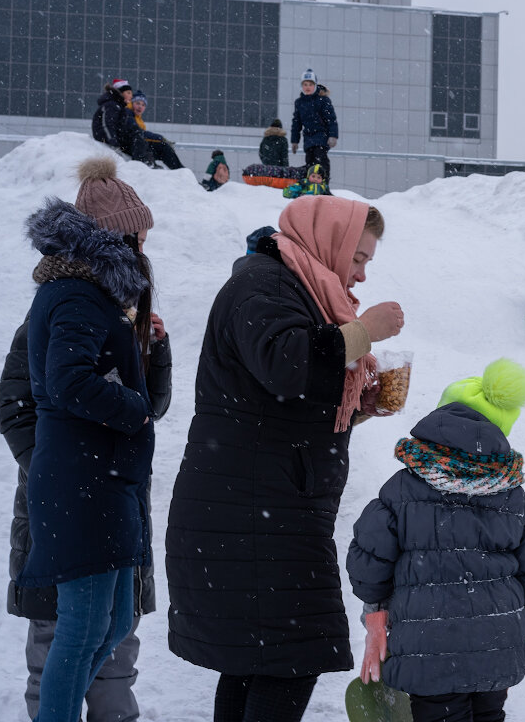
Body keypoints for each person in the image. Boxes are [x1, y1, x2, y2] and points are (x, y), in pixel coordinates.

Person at [165, 195, 405, 722]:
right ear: (331, 243)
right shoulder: (266, 283)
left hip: (260, 510)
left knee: (258, 662)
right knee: (290, 659)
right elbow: (286, 361)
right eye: (359, 258)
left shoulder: (290, 286)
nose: (361, 276)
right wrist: (367, 331)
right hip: (254, 513)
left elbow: (281, 397)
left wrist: (356, 409)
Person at [0, 158, 170, 722]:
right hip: (79, 483)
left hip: (110, 480)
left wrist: (149, 355)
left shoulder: (108, 302)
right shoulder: (75, 294)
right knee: (76, 631)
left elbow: (143, 397)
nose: (146, 241)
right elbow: (55, 390)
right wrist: (130, 413)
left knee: (114, 624)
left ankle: (62, 706)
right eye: (138, 230)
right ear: (117, 233)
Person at [346, 357, 525, 722]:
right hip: (497, 639)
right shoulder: (512, 497)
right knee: (489, 712)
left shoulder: (402, 490)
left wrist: (374, 608)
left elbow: (369, 559)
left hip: (426, 645)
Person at [291, 69, 338, 187]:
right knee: (310, 162)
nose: (308, 87)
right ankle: (311, 186)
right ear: (302, 86)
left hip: (322, 136)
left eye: (311, 84)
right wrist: (294, 141)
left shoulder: (323, 100)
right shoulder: (299, 102)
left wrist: (333, 135)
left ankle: (324, 184)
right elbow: (296, 122)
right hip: (308, 138)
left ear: (315, 85)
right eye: (305, 84)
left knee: (321, 160)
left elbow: (331, 119)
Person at [91, 78, 154, 166]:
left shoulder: (120, 107)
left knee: (138, 135)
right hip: (105, 137)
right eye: (128, 93)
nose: (131, 96)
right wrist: (114, 142)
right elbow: (107, 125)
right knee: (136, 136)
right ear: (120, 93)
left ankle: (147, 161)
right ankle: (140, 163)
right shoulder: (112, 105)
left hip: (115, 136)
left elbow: (121, 126)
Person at [131, 91, 184, 169]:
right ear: (132, 104)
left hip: (140, 147)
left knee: (165, 148)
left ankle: (181, 171)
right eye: (137, 103)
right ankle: (180, 170)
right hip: (134, 148)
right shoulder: (130, 116)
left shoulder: (140, 120)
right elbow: (140, 134)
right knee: (163, 147)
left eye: (143, 105)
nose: (140, 107)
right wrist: (159, 138)